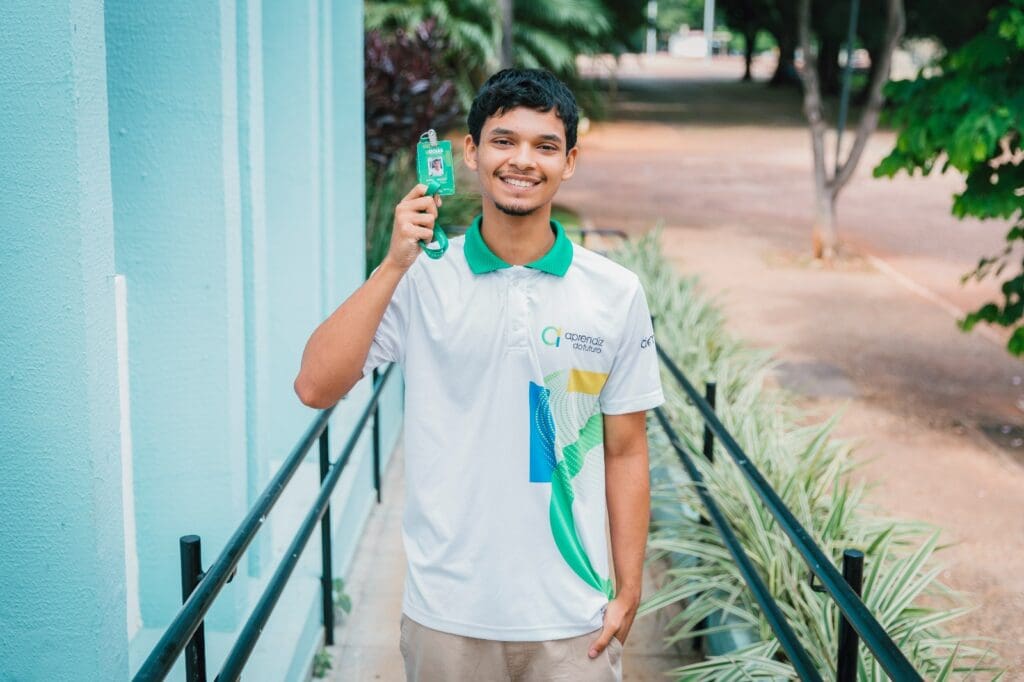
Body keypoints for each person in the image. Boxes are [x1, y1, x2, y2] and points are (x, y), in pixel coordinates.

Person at [294, 68, 664, 681]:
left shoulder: (615, 293)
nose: (523, 160)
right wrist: (392, 266)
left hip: (575, 621)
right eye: (503, 140)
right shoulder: (421, 278)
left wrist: (627, 593)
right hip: (447, 620)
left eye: (545, 146)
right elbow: (314, 386)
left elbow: (627, 451)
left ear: (569, 162)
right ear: (470, 152)